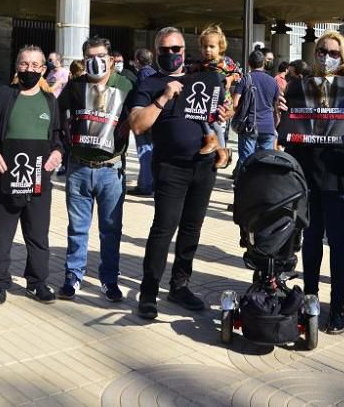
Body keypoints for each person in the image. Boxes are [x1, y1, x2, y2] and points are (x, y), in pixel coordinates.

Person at [130, 26, 229, 319]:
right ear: (157, 51)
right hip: (170, 167)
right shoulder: (149, 84)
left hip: (203, 165)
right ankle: (148, 292)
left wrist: (224, 113)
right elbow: (138, 124)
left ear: (185, 51)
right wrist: (164, 97)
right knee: (163, 229)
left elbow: (215, 116)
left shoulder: (200, 78)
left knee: (191, 228)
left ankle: (180, 284)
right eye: (165, 49)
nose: (172, 54)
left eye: (177, 49)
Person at [278, 31, 344, 334]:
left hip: (339, 172)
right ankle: (312, 299)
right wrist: (283, 114)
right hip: (308, 169)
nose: (326, 57)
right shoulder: (301, 88)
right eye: (321, 51)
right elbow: (290, 131)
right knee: (312, 236)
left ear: (343, 55)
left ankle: (338, 307)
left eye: (333, 52)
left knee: (338, 238)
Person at [0, 46, 63, 306]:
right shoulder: (1, 96)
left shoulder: (50, 101)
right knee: (1, 236)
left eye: (35, 65)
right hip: (4, 177)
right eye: (24, 64)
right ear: (16, 66)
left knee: (38, 235)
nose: (29, 69)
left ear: (43, 70)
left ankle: (37, 283)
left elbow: (58, 136)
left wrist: (58, 152)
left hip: (38, 179)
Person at [57, 37, 133, 302]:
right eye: (89, 56)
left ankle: (109, 280)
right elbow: (58, 112)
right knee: (77, 228)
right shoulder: (76, 86)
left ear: (111, 59)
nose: (95, 61)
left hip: (111, 169)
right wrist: (63, 137)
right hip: (78, 167)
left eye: (100, 55)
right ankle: (73, 277)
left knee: (111, 230)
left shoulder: (126, 84)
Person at [197, 24, 241, 169]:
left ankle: (222, 152)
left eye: (211, 46)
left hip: (222, 101)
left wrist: (229, 79)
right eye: (204, 47)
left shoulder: (225, 62)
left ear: (220, 47)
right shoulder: (202, 65)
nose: (207, 50)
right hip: (207, 101)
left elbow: (239, 74)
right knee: (205, 121)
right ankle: (218, 148)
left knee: (218, 126)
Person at [232, 49, 280, 168]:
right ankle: (261, 185)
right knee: (265, 162)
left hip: (249, 125)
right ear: (263, 63)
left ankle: (245, 185)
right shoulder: (273, 82)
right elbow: (275, 106)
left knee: (246, 161)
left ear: (249, 63)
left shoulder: (245, 80)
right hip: (268, 126)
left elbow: (235, 103)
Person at [128, 48, 157, 197]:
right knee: (149, 152)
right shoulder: (153, 73)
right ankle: (147, 183)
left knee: (144, 153)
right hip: (152, 119)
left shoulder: (144, 75)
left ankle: (145, 186)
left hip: (144, 120)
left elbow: (143, 98)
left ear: (138, 61)